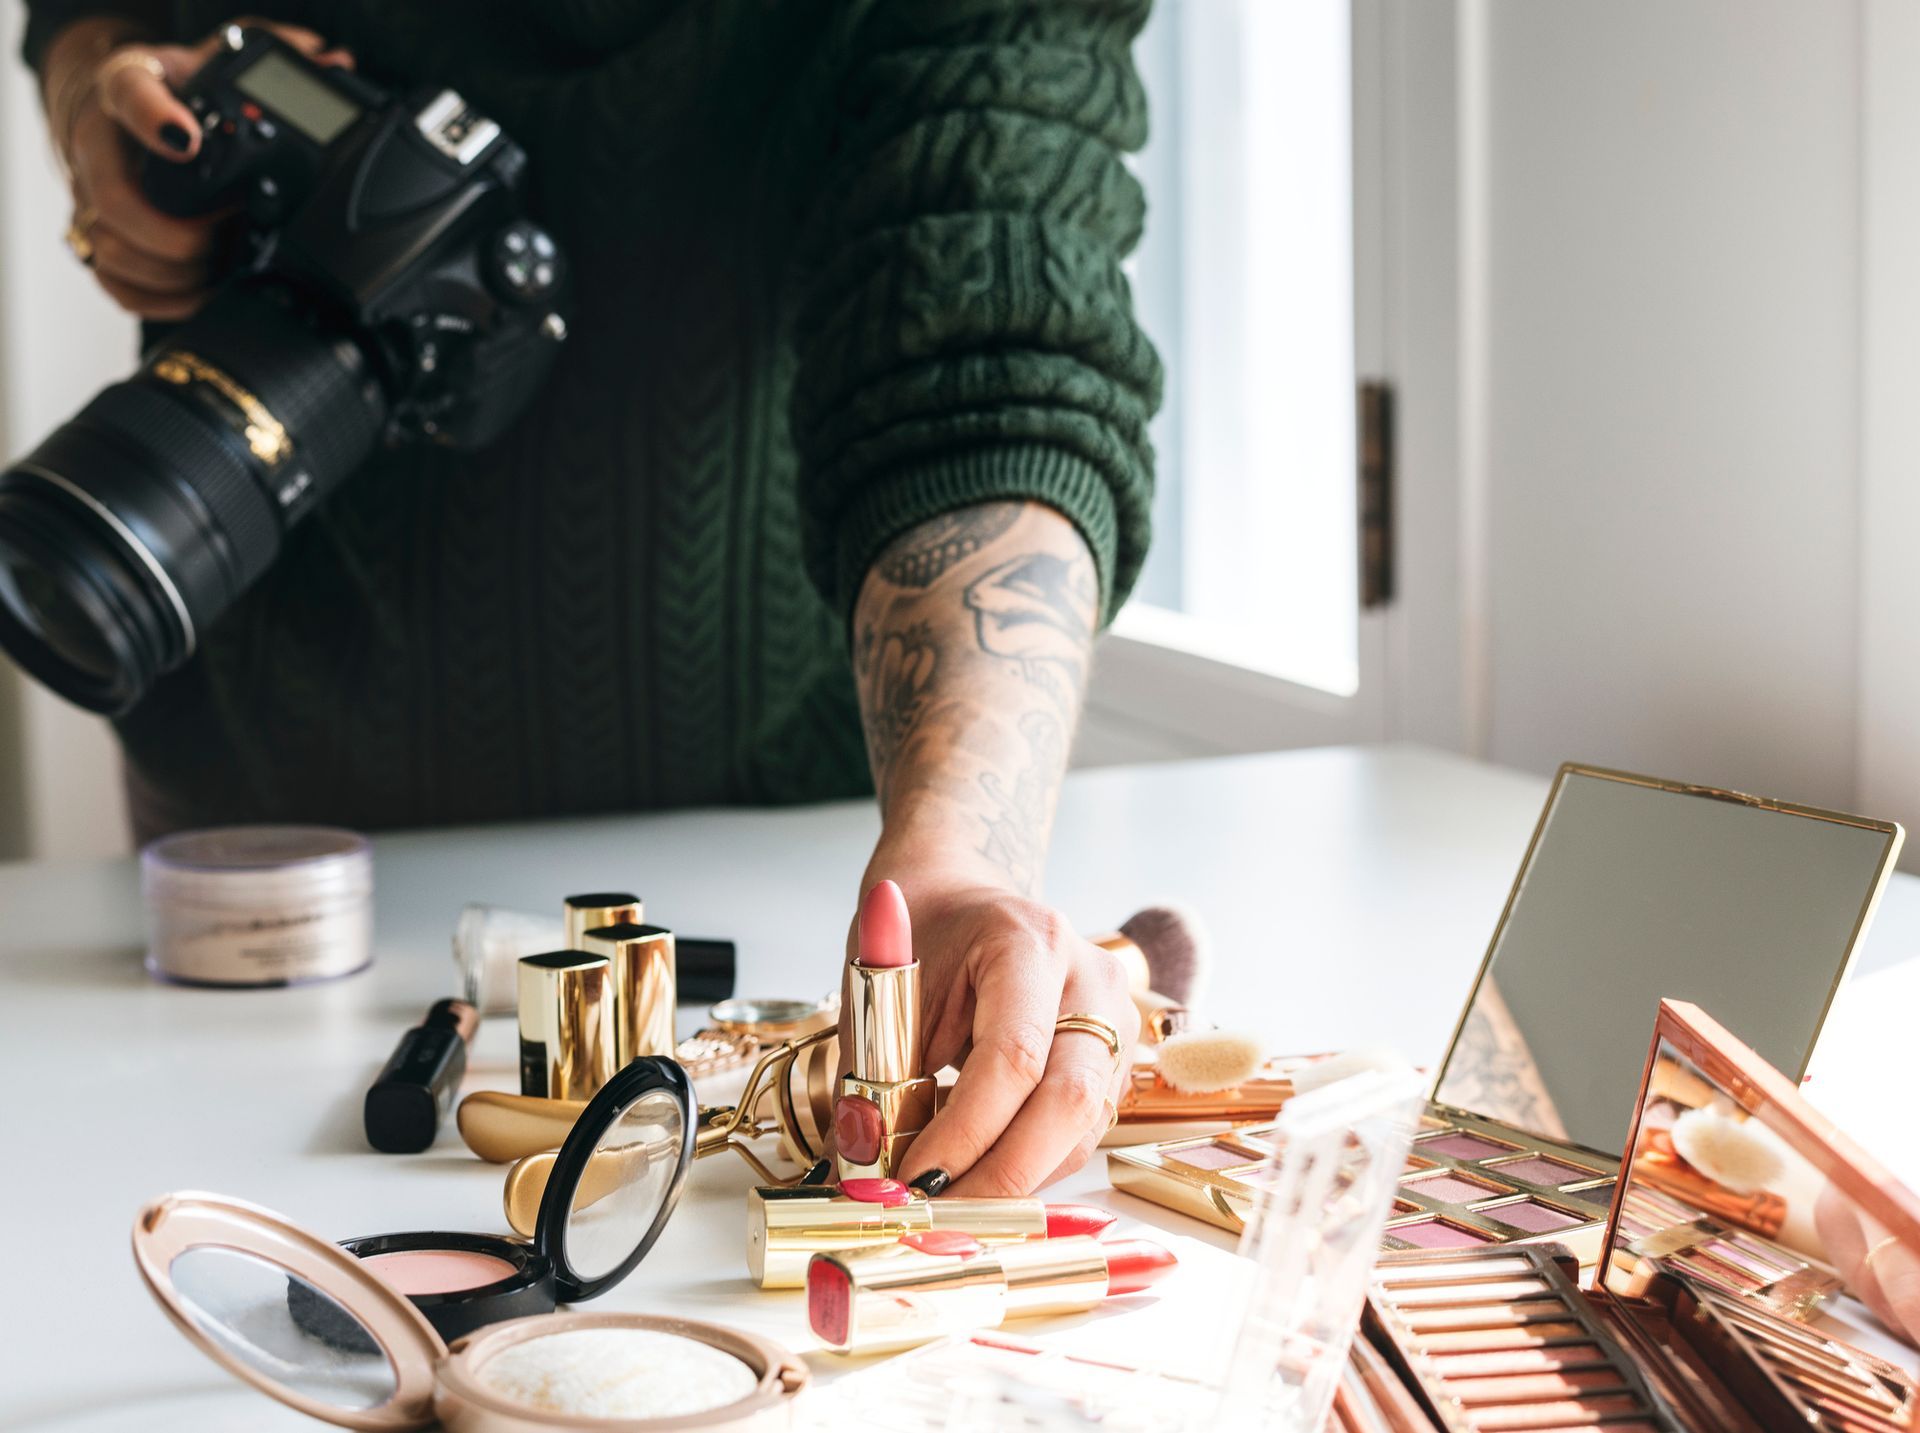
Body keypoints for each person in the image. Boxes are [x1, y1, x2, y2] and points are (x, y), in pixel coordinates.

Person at [21, 1, 1161, 1196]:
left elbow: (989, 338)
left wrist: (962, 865)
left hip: (767, 836)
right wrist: (102, 92)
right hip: (262, 826)